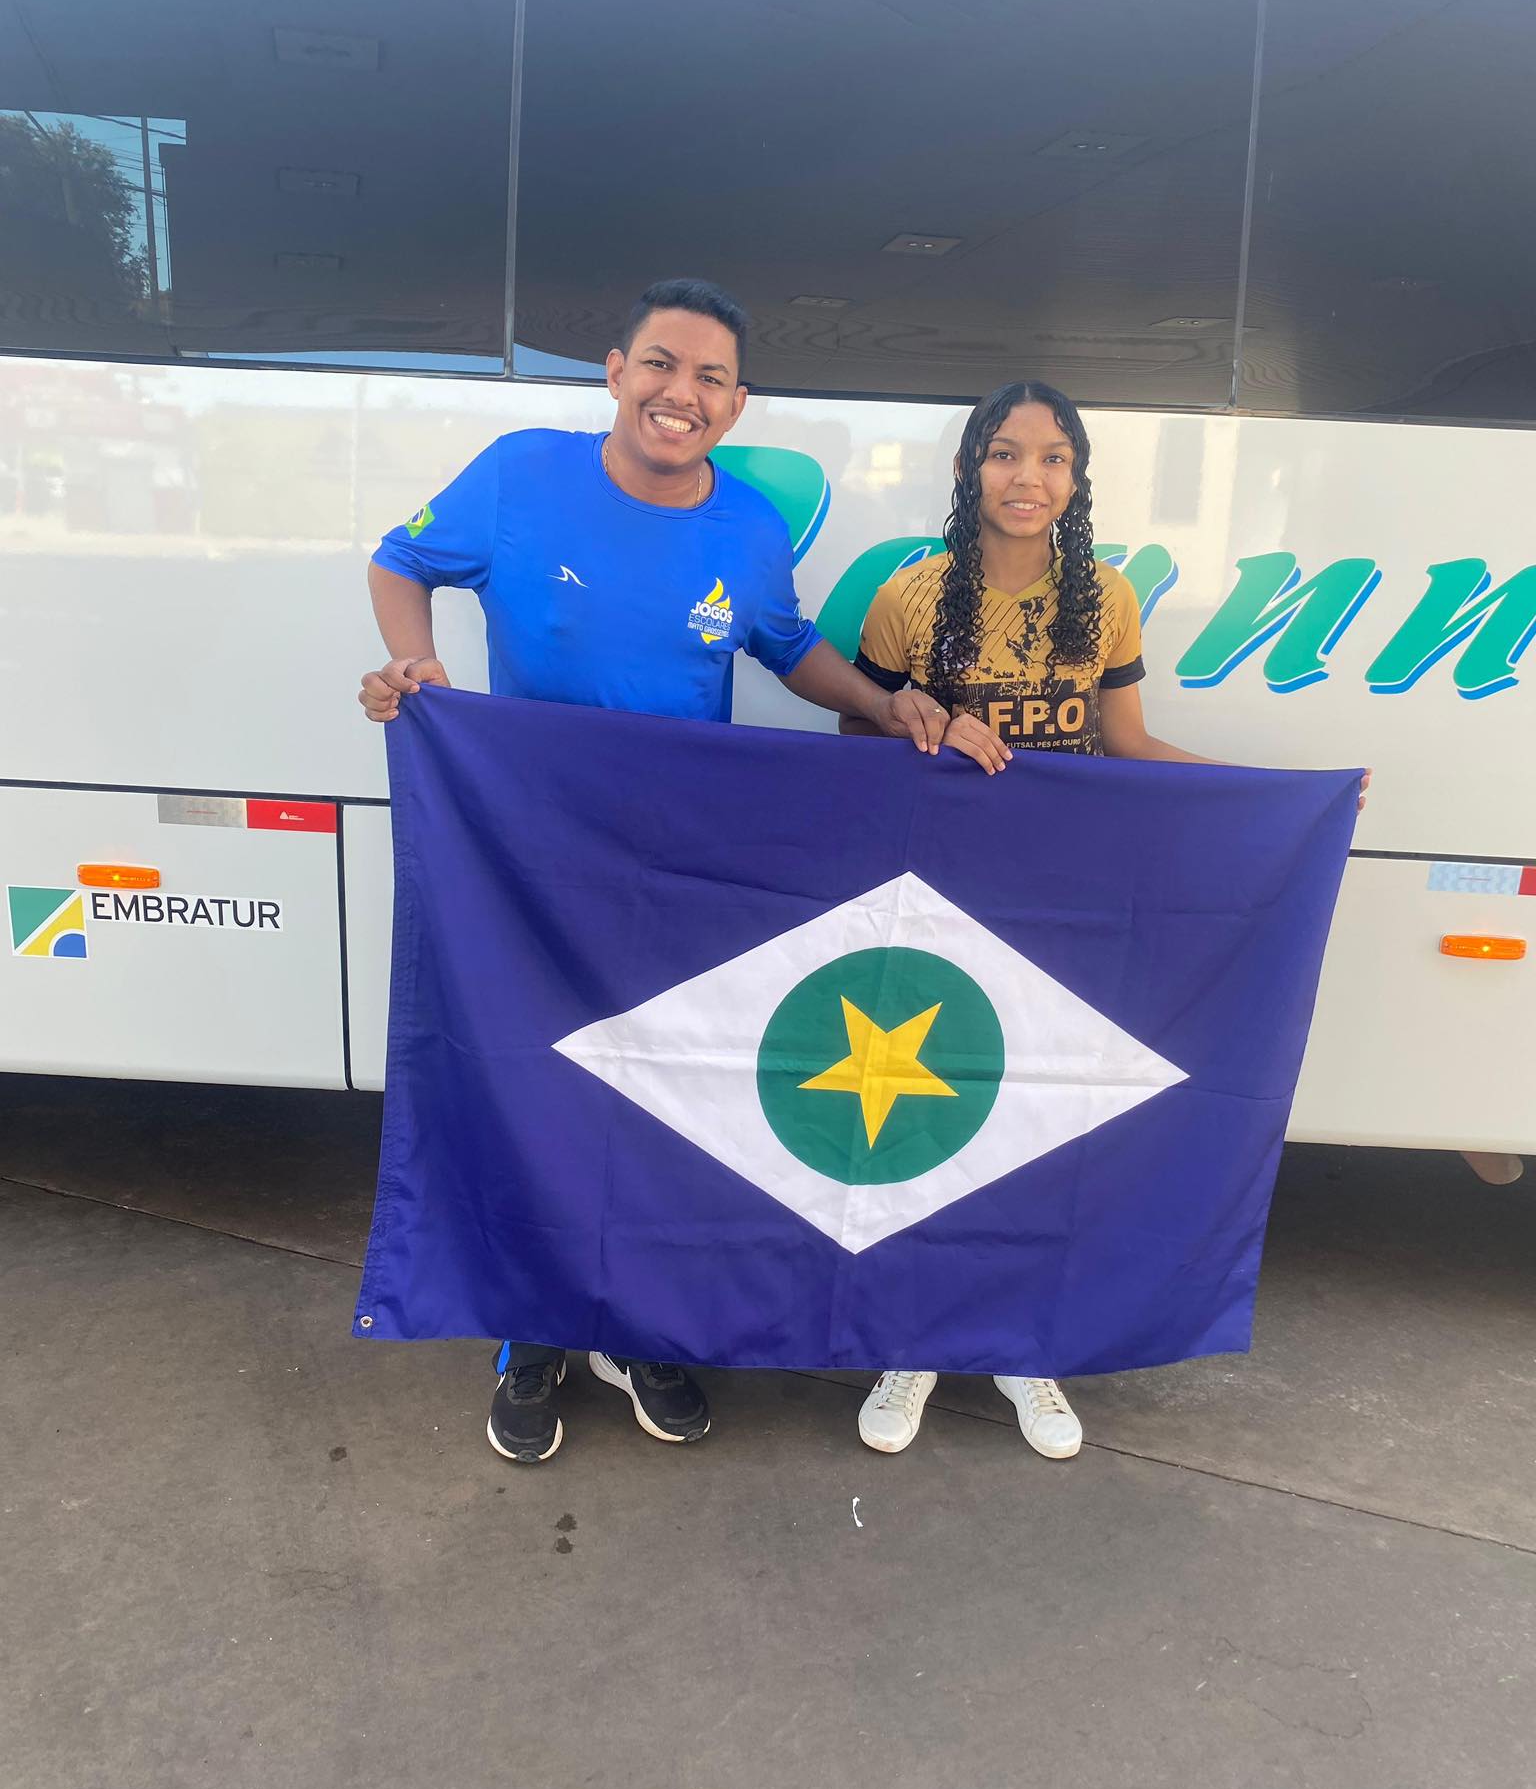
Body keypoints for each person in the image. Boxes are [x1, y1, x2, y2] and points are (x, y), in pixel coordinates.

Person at [359, 277, 959, 1466]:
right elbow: (398, 560)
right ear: (616, 371)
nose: (681, 393)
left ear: (736, 404)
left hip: (678, 862)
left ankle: (641, 1331)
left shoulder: (746, 527)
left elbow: (788, 646)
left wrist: (888, 705)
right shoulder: (522, 473)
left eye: (709, 377)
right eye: (661, 364)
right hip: (525, 853)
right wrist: (415, 664)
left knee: (659, 1095)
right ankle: (532, 1337)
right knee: (536, 1089)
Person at [841, 379, 1370, 1460]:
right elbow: (856, 745)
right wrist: (916, 721)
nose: (1027, 477)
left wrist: (1284, 794)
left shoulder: (1107, 598)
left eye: (1053, 458)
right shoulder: (908, 597)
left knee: (1047, 1124)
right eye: (1005, 452)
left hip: (1067, 901)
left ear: (1077, 480)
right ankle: (914, 1339)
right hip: (940, 899)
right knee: (934, 1123)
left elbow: (1129, 746)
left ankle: (1027, 1347)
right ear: (968, 468)